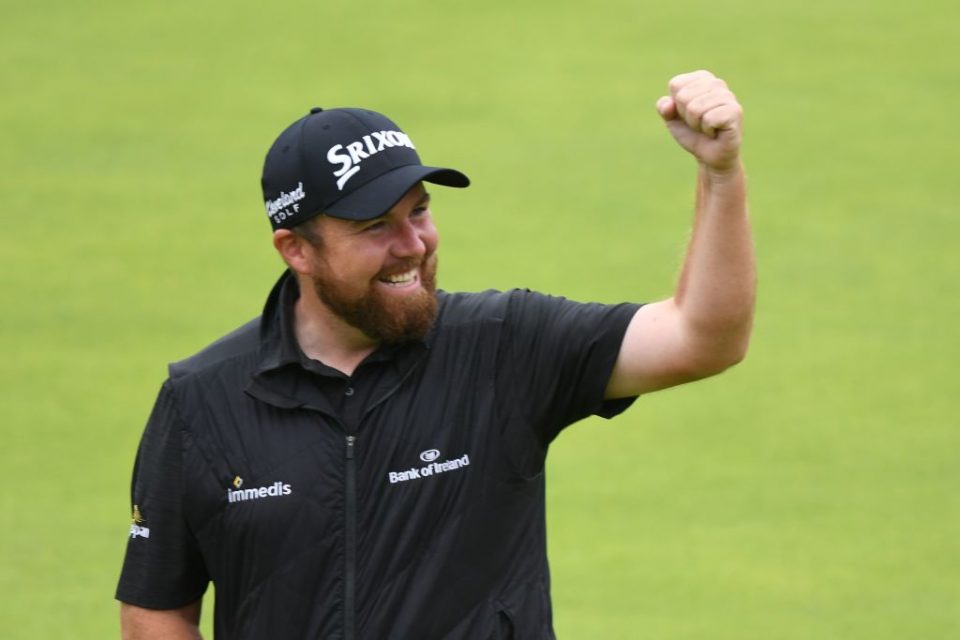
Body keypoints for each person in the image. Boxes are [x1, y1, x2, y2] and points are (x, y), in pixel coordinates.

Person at [116, 70, 755, 639]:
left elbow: (703, 338)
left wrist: (719, 175)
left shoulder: (504, 345)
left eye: (419, 211)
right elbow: (155, 608)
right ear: (296, 250)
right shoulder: (204, 401)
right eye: (375, 228)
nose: (413, 245)